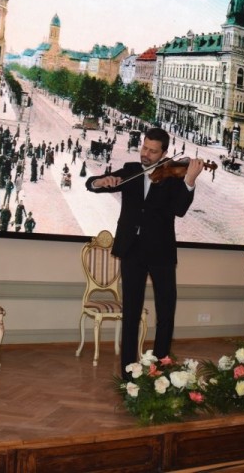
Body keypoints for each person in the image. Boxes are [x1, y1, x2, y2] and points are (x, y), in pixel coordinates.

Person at [86, 127, 204, 378]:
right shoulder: (130, 171)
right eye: (144, 148)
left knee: (166, 312)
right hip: (131, 250)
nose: (146, 155)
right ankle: (129, 372)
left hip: (161, 251)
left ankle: (160, 369)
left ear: (163, 153)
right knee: (131, 312)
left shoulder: (173, 177)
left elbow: (180, 210)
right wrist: (99, 182)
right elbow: (93, 184)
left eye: (152, 151)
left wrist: (190, 181)